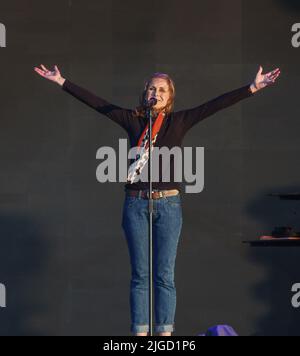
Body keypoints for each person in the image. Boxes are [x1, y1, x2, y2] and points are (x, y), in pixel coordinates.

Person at [34, 64, 280, 336]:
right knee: (140, 276)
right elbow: (98, 104)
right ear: (145, 93)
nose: (157, 92)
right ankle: (140, 334)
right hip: (136, 203)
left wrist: (253, 87)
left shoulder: (179, 121)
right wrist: (61, 80)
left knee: (164, 276)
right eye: (152, 88)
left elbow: (214, 105)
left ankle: (164, 335)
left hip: (169, 205)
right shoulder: (133, 120)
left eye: (162, 89)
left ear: (169, 96)